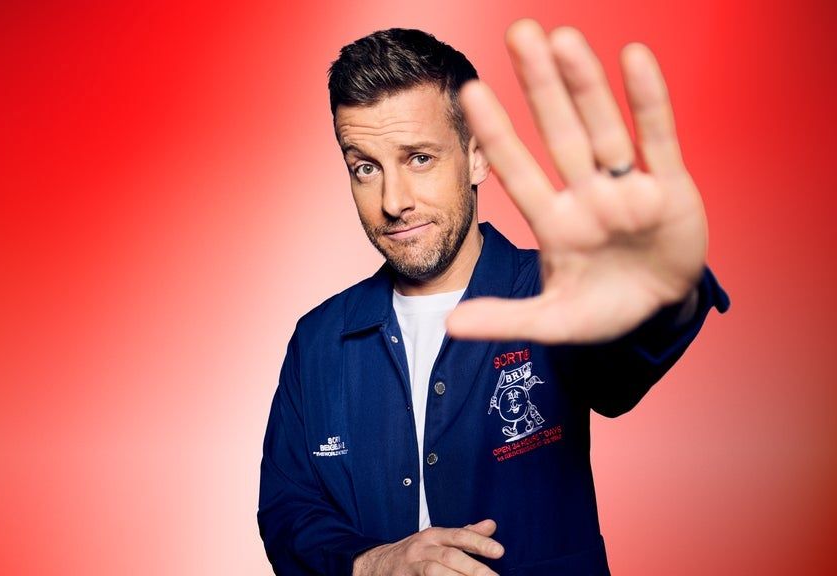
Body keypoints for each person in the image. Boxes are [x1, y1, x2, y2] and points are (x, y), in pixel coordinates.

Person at [258, 19, 730, 576]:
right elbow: (288, 509)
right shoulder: (317, 340)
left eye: (419, 158)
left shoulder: (554, 292)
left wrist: (662, 294)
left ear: (477, 157)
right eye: (365, 167)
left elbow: (620, 375)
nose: (393, 201)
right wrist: (374, 562)